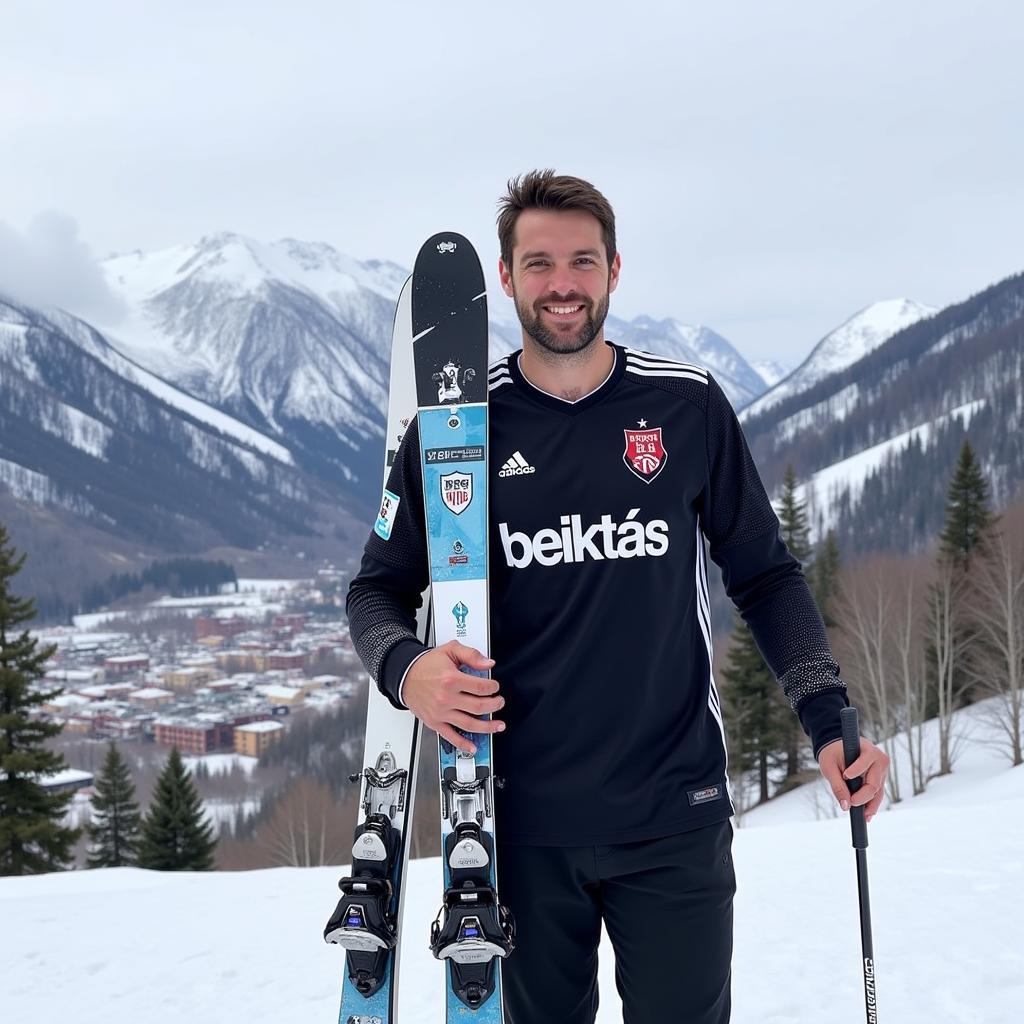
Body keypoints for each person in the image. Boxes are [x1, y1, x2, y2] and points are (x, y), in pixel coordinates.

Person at [346, 170, 890, 1023]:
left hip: (675, 816)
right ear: (506, 277)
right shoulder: (455, 426)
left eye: (582, 261)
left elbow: (766, 573)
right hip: (512, 831)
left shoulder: (686, 405)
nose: (562, 285)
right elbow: (375, 592)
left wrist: (829, 721)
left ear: (614, 270)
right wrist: (408, 670)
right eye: (539, 264)